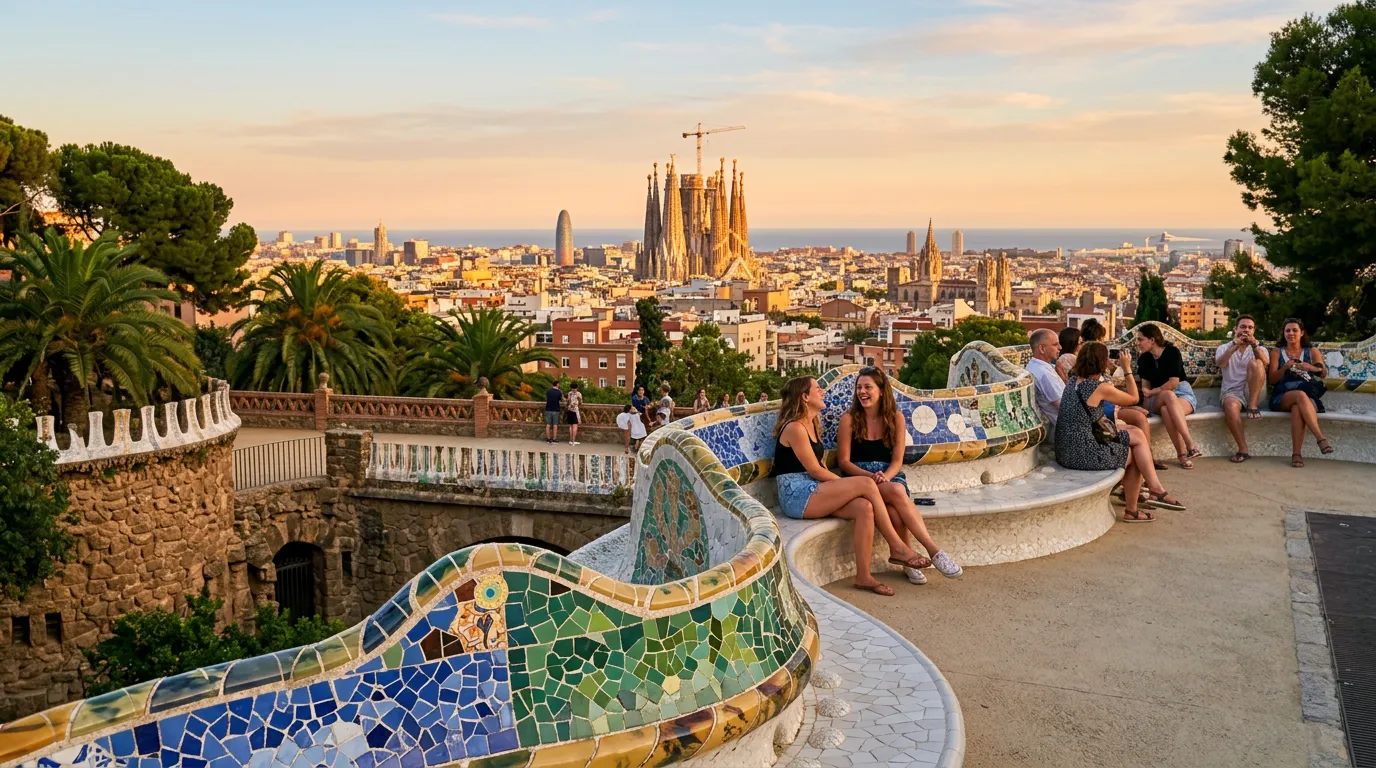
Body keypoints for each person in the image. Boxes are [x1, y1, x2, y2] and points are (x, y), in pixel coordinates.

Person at [770, 376, 934, 596]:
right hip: (796, 494)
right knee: (866, 484)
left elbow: (819, 467)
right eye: (817, 389)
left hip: (813, 489)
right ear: (805, 397)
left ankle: (863, 576)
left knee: (864, 508)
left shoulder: (812, 424)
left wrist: (848, 487)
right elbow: (816, 471)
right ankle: (896, 546)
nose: (822, 392)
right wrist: (850, 485)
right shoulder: (795, 428)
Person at [837, 367, 963, 583]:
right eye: (859, 387)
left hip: (888, 476)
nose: (862, 392)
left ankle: (907, 559)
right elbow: (844, 462)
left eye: (868, 387)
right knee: (895, 491)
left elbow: (897, 460)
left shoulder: (895, 418)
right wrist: (870, 476)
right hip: (859, 478)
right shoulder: (849, 419)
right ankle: (934, 550)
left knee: (895, 509)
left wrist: (884, 476)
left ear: (881, 390)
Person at [1057, 342, 1185, 521]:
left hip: (1068, 448)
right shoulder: (1098, 387)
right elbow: (1134, 398)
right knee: (1133, 452)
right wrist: (1127, 369)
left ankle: (1152, 492)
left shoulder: (1073, 381)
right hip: (1083, 452)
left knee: (1135, 434)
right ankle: (1142, 501)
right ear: (1102, 362)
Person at [1079, 319, 1168, 476]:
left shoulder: (1085, 362)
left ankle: (1148, 461)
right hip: (1102, 409)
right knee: (1137, 424)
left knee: (1139, 416)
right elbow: (1132, 397)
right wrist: (1126, 368)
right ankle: (1149, 468)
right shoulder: (1091, 360)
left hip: (1106, 404)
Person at [1268, 317, 1334, 467]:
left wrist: (1310, 367)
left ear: (1302, 333)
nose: (1291, 333)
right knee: (1299, 396)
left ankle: (1296, 455)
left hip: (1308, 395)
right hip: (1283, 395)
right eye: (1287, 330)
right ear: (1283, 334)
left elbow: (1322, 373)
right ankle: (1320, 438)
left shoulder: (1311, 351)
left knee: (1298, 406)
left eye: (1295, 330)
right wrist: (1285, 368)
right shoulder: (1277, 352)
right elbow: (1272, 380)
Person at [1135, 324, 1202, 468]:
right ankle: (1190, 444)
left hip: (1182, 393)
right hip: (1158, 398)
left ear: (1152, 340)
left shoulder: (1172, 352)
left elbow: (1174, 382)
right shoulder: (1144, 359)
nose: (1138, 343)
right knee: (1168, 395)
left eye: (1141, 340)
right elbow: (1145, 386)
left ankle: (1182, 455)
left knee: (1167, 410)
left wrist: (1152, 391)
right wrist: (1149, 394)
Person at [1216, 315, 1270, 462]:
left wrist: (1254, 346)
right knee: (1230, 405)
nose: (1246, 330)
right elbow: (1221, 363)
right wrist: (1234, 346)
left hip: (1255, 391)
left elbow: (1265, 363)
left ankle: (1252, 405)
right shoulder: (1223, 348)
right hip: (1232, 392)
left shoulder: (1260, 348)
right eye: (1243, 327)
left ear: (1254, 331)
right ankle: (1243, 450)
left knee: (1256, 363)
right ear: (1235, 329)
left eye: (1250, 327)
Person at [1026, 329, 1065, 428]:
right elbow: (1064, 406)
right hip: (1068, 428)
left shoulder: (1039, 366)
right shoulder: (1043, 373)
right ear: (1042, 348)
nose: (1060, 347)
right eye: (1055, 344)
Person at [564, 381, 583, 445]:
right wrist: (579, 399)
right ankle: (573, 441)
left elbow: (567, 402)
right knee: (575, 426)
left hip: (569, 410)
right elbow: (580, 403)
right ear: (577, 387)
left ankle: (570, 440)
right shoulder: (579, 394)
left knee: (570, 426)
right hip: (575, 411)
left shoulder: (569, 393)